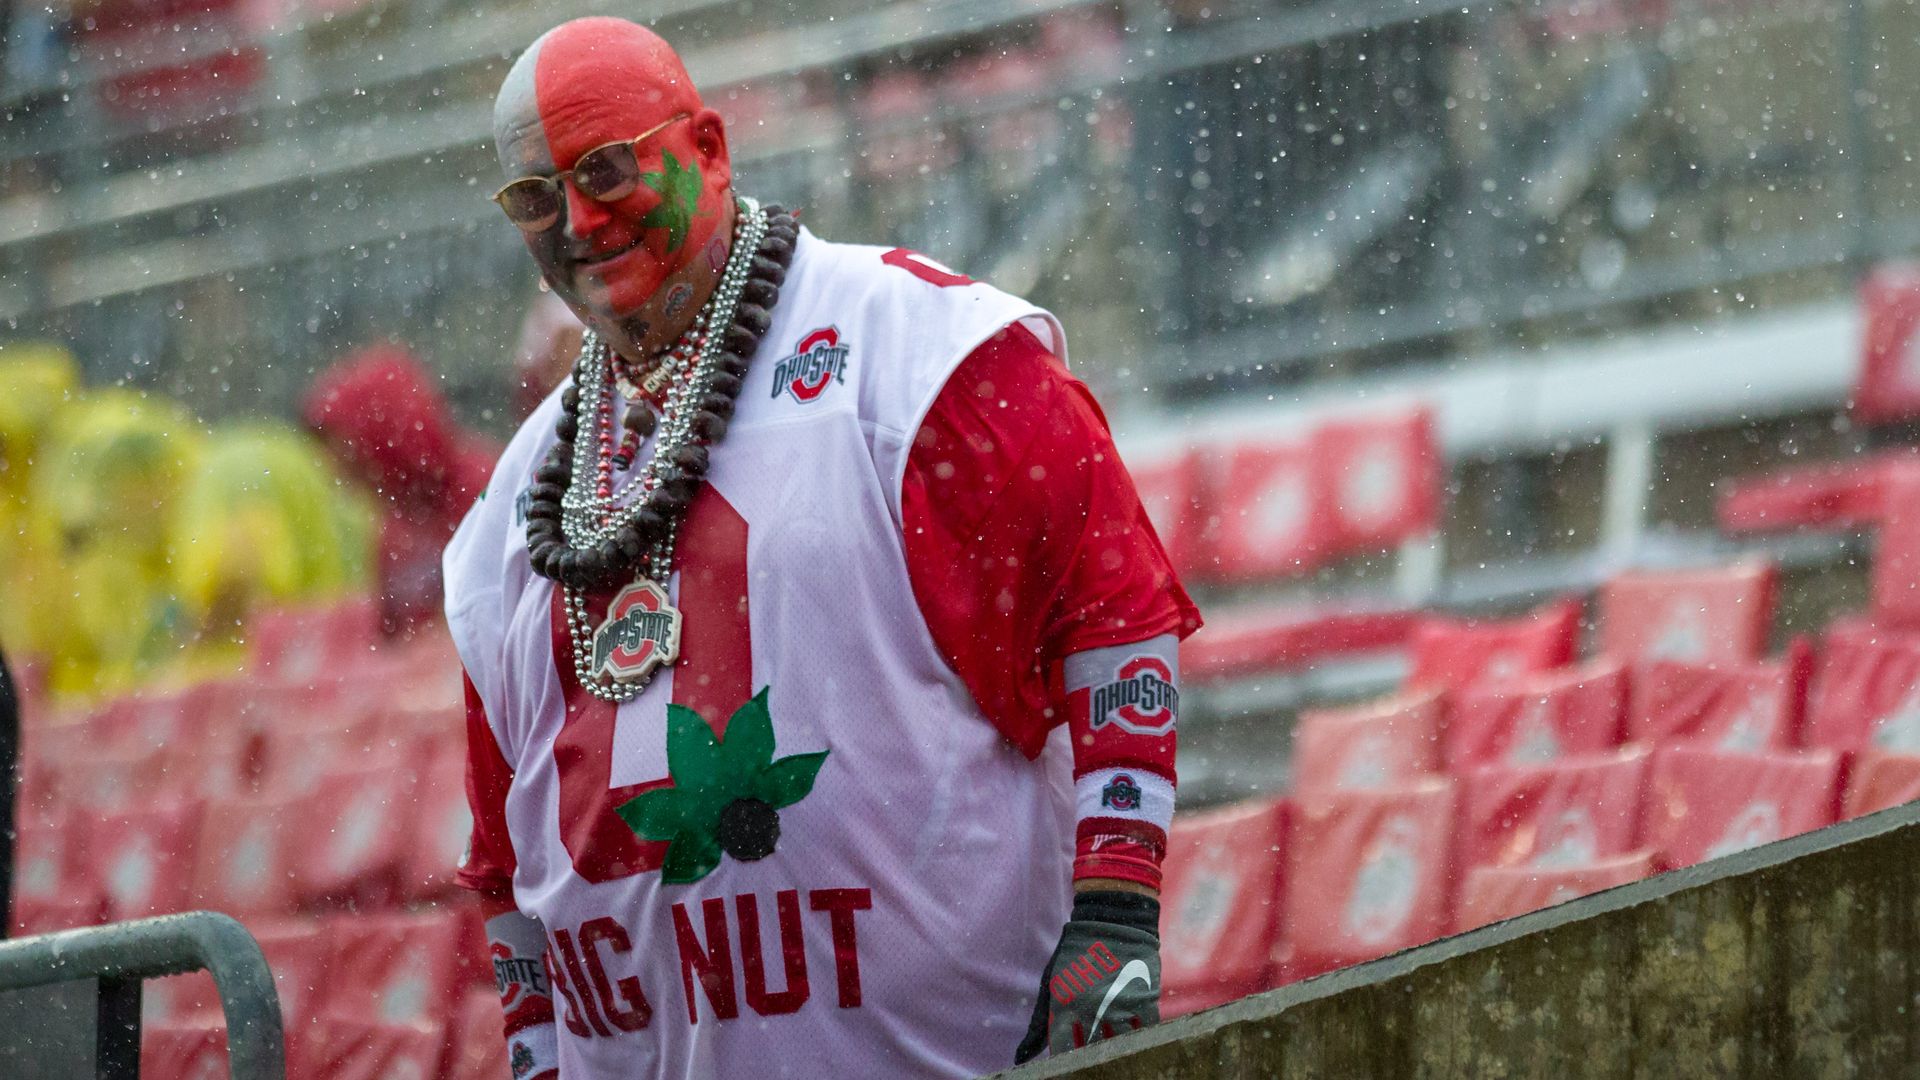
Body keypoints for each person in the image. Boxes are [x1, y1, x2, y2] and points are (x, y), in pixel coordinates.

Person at [445, 18, 1199, 1079]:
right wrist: (535, 1050)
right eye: (534, 197)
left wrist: (1117, 910)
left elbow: (1111, 611)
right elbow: (503, 857)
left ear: (707, 148)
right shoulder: (516, 503)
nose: (575, 221)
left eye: (607, 171)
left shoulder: (919, 348)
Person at [304, 344, 496, 637]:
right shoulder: (393, 525)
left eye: (347, 454)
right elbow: (390, 638)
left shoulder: (483, 491)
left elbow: (499, 614)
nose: (340, 475)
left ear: (380, 437)